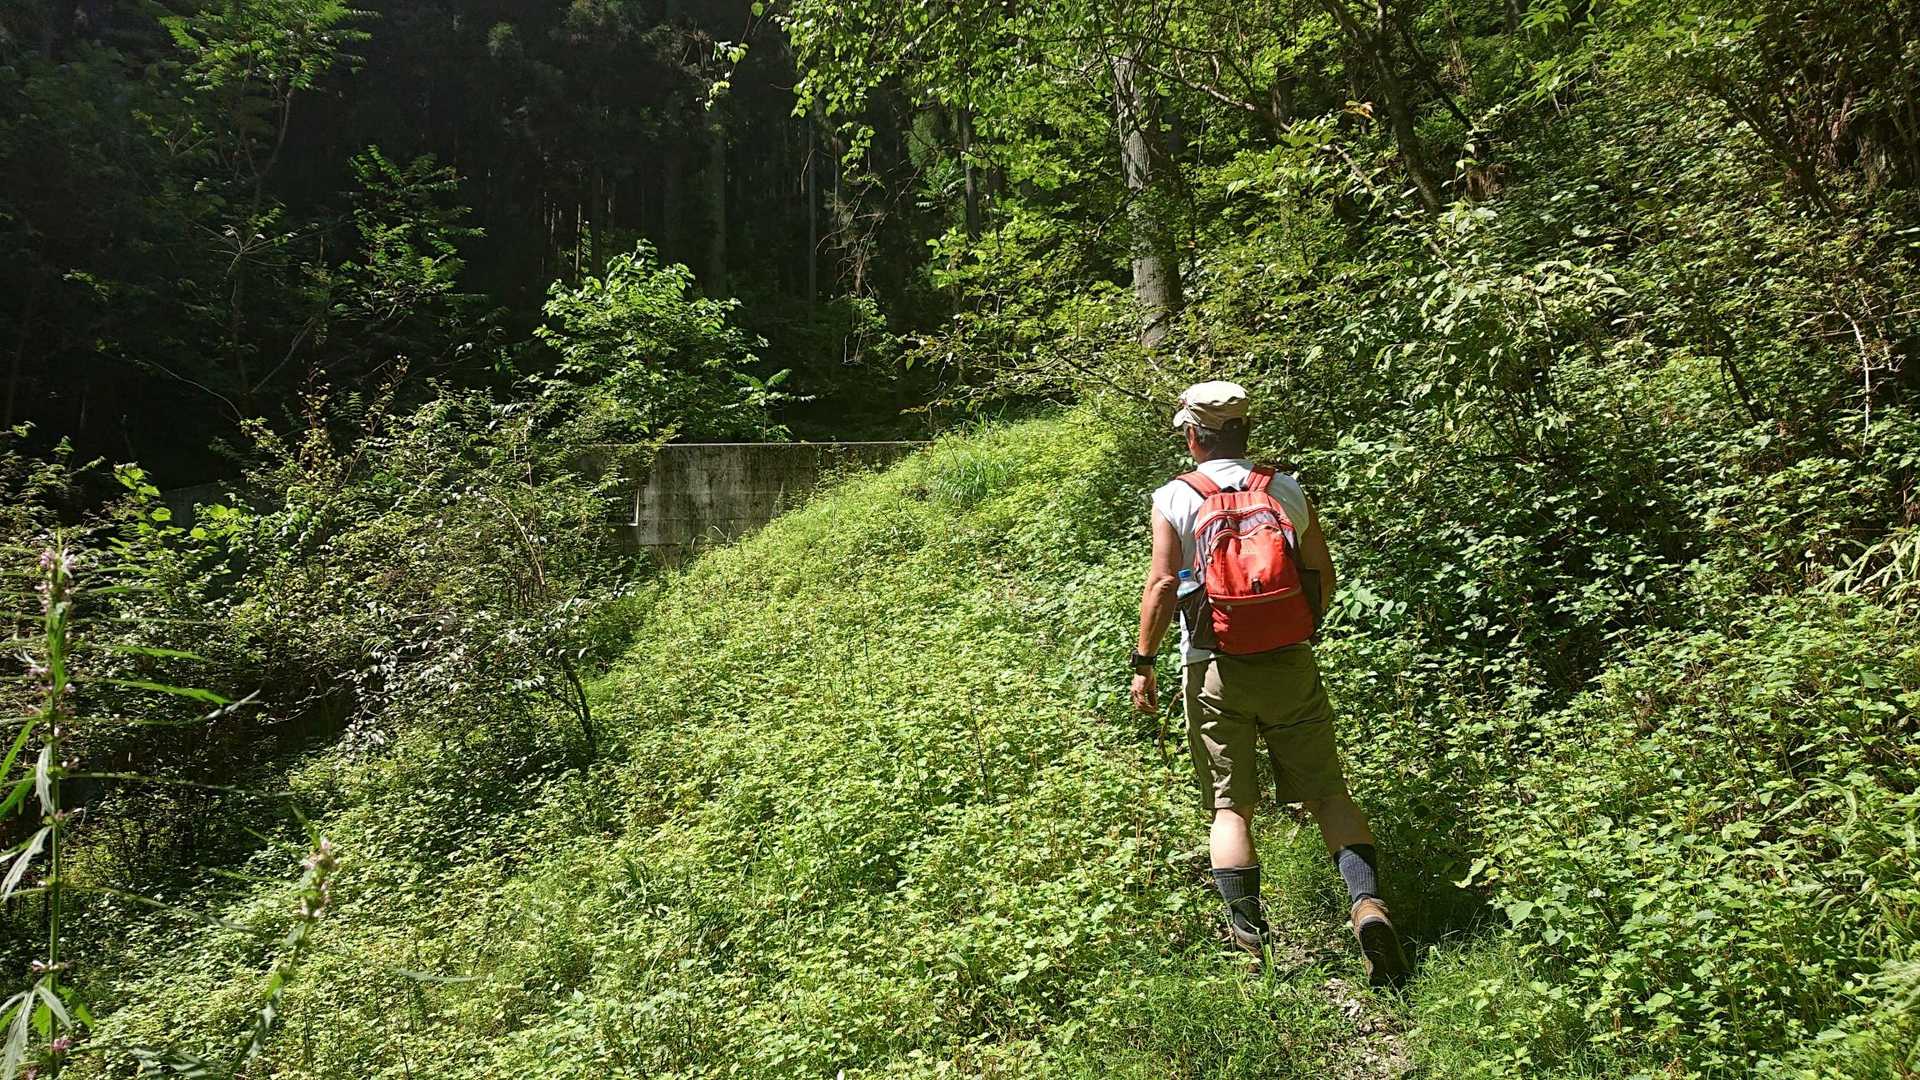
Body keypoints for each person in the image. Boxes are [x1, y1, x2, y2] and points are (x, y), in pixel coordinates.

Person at [1129, 380, 1408, 986]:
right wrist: (1296, 630)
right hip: (1290, 660)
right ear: (1245, 430)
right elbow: (1322, 573)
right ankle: (1367, 907)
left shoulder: (1175, 496)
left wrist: (1143, 661)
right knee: (1329, 793)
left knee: (1230, 807)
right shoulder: (1284, 487)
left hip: (1214, 666)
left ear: (1193, 436)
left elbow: (1162, 584)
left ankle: (1251, 946)